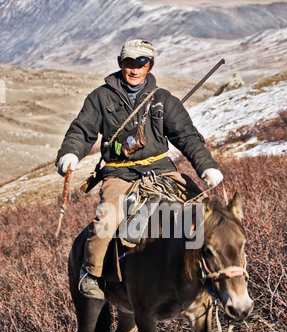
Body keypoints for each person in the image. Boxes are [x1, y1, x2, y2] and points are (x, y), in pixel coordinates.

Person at [56, 39, 223, 300]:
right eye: (129, 63)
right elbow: (81, 130)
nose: (135, 69)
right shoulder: (100, 98)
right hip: (119, 173)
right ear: (120, 64)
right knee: (107, 220)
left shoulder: (164, 100)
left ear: (150, 65)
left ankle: (208, 276)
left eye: (141, 63)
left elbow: (187, 136)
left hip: (161, 169)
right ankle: (92, 275)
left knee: (200, 212)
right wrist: (70, 152)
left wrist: (207, 166)